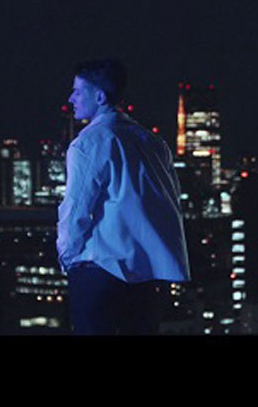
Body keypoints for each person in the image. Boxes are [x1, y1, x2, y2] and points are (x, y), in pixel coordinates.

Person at [57, 59, 190, 335]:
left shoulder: (89, 142)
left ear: (100, 97)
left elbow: (76, 208)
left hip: (100, 268)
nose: (71, 99)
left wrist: (68, 256)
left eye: (78, 92)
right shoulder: (151, 141)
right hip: (145, 274)